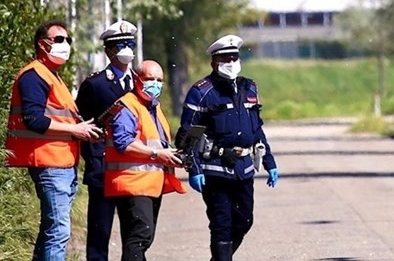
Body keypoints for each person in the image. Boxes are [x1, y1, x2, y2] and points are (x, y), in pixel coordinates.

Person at [5, 19, 103, 261]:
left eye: (68, 40)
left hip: (61, 164)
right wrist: (76, 130)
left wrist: (82, 127)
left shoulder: (53, 76)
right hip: (49, 164)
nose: (66, 45)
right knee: (58, 232)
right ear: (42, 44)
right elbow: (34, 120)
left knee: (51, 231)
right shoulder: (33, 76)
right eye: (59, 39)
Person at [176, 34, 279, 261]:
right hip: (215, 169)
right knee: (221, 223)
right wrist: (194, 169)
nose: (231, 63)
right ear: (214, 62)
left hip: (243, 168)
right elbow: (188, 134)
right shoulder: (202, 91)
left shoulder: (249, 88)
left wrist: (269, 161)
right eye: (225, 59)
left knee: (245, 220)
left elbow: (257, 129)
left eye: (234, 58)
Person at [103, 60, 186, 260]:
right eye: (150, 79)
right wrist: (158, 155)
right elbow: (124, 143)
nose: (155, 84)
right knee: (140, 236)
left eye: (159, 80)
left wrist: (172, 155)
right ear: (136, 79)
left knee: (140, 238)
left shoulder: (152, 108)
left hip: (149, 185)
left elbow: (156, 144)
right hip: (131, 184)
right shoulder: (127, 106)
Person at [75, 19, 138, 261]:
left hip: (133, 167)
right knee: (100, 232)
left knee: (134, 233)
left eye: (130, 44)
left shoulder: (140, 82)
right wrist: (93, 158)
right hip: (103, 169)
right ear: (108, 50)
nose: (127, 50)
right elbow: (83, 125)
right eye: (120, 44)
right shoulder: (95, 84)